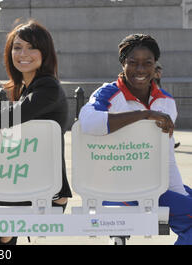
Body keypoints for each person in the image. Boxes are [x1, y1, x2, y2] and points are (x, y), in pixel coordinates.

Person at [0, 20, 73, 245]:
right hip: (20, 180)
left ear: (45, 52)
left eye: (32, 47)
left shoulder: (48, 88)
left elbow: (12, 116)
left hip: (44, 191)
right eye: (17, 47)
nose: (23, 53)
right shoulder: (27, 88)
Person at [78, 34, 192, 245]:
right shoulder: (108, 94)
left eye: (147, 63)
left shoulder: (166, 101)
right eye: (133, 62)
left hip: (153, 188)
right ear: (123, 64)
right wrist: (144, 115)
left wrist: (178, 195)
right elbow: (88, 122)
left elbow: (166, 158)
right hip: (114, 188)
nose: (140, 70)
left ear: (155, 65)